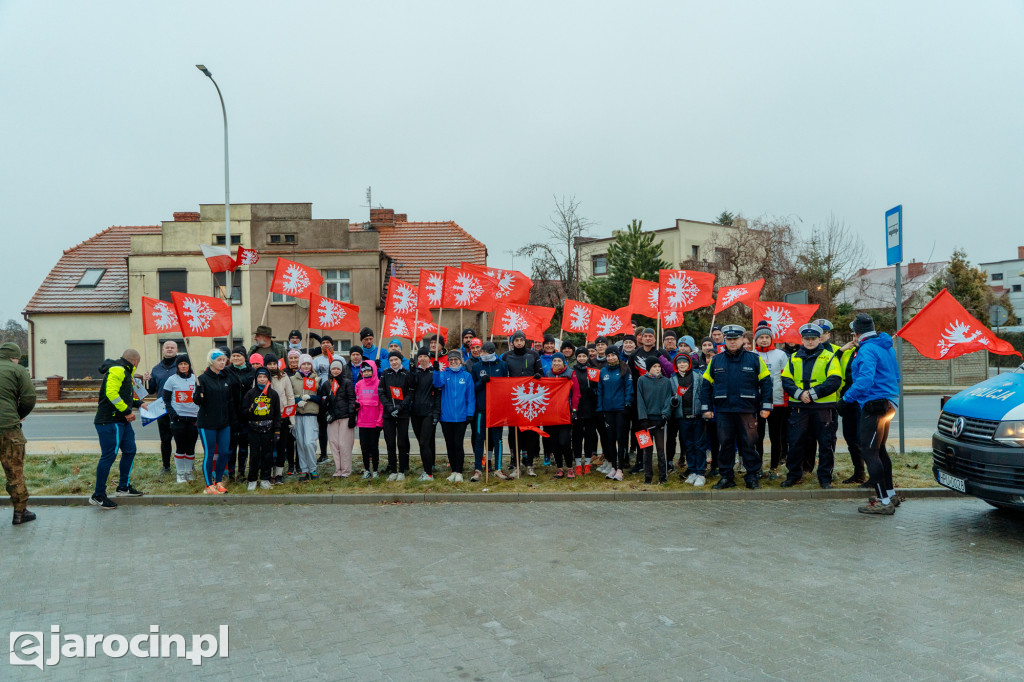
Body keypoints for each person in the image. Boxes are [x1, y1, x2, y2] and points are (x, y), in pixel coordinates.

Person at [842, 314, 902, 515]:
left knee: (869, 451)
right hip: (889, 403)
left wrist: (845, 400)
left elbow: (864, 381)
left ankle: (884, 502)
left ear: (857, 334)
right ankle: (890, 493)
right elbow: (897, 376)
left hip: (874, 405)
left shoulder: (867, 349)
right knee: (880, 450)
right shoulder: (887, 348)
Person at [700, 325, 773, 490]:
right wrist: (707, 408)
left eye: (736, 339)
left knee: (748, 444)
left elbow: (766, 383)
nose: (732, 342)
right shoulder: (716, 360)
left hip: (747, 411)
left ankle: (752, 476)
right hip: (724, 411)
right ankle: (726, 477)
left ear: (742, 339)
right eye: (730, 339)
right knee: (725, 444)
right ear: (725, 340)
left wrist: (766, 406)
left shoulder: (754, 359)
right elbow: (706, 386)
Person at [779, 324, 843, 489]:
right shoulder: (793, 357)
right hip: (799, 406)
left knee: (825, 444)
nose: (810, 342)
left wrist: (813, 394)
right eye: (807, 339)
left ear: (819, 339)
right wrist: (800, 394)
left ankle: (825, 479)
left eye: (813, 338)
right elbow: (786, 379)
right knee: (795, 443)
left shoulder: (829, 357)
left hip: (822, 407)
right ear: (802, 340)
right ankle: (794, 476)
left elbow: (835, 380)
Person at [90, 349, 145, 509]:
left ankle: (123, 487)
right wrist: (127, 412)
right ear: (135, 361)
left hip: (121, 421)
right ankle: (98, 495)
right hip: (109, 421)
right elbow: (111, 393)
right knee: (108, 456)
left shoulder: (125, 371)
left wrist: (140, 404)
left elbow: (125, 395)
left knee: (130, 451)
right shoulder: (118, 370)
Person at [1, 342, 36, 524]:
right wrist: (18, 415)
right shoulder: (18, 370)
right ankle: (20, 513)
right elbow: (29, 398)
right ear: (15, 357)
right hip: (8, 427)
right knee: (14, 471)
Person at [193, 348, 235, 494]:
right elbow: (197, 401)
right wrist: (198, 393)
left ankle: (218, 482)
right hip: (207, 423)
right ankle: (208, 485)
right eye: (219, 360)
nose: (222, 363)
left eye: (224, 360)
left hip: (224, 423)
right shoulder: (202, 379)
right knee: (209, 453)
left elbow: (230, 400)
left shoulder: (225, 377)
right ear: (212, 361)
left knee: (224, 452)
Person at [501, 330, 543, 477]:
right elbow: (502, 376)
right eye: (516, 340)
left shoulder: (533, 355)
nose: (519, 342)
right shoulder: (507, 356)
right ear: (512, 342)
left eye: (521, 340)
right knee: (514, 433)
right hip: (514, 400)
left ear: (525, 341)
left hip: (530, 400)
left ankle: (530, 464)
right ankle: (516, 464)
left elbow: (542, 375)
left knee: (530, 432)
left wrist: (538, 377)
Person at [753, 322, 790, 480]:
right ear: (756, 339)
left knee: (776, 437)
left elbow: (786, 378)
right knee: (758, 437)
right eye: (761, 337)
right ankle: (758, 466)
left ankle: (774, 468)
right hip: (758, 403)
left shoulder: (780, 355)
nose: (764, 340)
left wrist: (786, 400)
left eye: (767, 337)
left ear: (771, 339)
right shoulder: (752, 355)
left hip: (777, 402)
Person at [433, 350, 475, 482]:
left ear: (460, 361)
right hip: (446, 417)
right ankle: (453, 470)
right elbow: (437, 384)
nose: (453, 362)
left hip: (461, 417)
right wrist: (435, 371)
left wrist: (470, 413)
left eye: (455, 360)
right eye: (450, 360)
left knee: (458, 444)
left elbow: (470, 397)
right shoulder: (445, 375)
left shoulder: (467, 376)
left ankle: (459, 471)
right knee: (449, 444)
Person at [468, 341, 506, 482]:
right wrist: (481, 382)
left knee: (498, 440)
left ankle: (498, 468)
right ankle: (478, 469)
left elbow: (506, 386)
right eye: (481, 352)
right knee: (479, 439)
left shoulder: (502, 365)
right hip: (481, 410)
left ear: (492, 353)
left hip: (497, 409)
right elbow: (473, 388)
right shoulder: (477, 367)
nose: (482, 354)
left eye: (485, 352)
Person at [241, 366, 280, 490]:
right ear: (256, 378)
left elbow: (277, 414)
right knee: (254, 455)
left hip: (268, 429)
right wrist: (250, 409)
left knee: (267, 455)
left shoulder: (273, 394)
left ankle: (265, 478)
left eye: (264, 377)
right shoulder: (250, 393)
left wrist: (277, 430)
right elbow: (243, 412)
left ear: (268, 379)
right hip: (253, 429)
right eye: (259, 377)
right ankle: (252, 479)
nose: (262, 379)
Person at [162, 354, 199, 483]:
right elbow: (166, 400)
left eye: (186, 364)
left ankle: (189, 471)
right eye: (181, 364)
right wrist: (172, 413)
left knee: (191, 447)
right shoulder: (171, 380)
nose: (183, 366)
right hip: (178, 418)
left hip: (193, 418)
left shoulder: (196, 379)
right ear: (177, 366)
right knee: (180, 446)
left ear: (189, 365)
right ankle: (180, 473)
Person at [597, 348, 632, 481]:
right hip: (607, 410)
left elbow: (629, 387)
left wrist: (627, 403)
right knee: (610, 438)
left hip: (621, 409)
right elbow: (600, 391)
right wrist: (600, 409)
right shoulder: (604, 371)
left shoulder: (625, 369)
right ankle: (613, 467)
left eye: (613, 355)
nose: (611, 358)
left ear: (617, 356)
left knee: (620, 438)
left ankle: (620, 469)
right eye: (609, 356)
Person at [670, 353, 706, 486]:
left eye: (684, 362)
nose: (682, 364)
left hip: (697, 416)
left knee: (699, 445)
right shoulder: (672, 379)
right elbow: (670, 397)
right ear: (676, 365)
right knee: (688, 445)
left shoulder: (697, 377)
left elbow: (704, 394)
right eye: (679, 363)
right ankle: (692, 471)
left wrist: (704, 411)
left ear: (689, 363)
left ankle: (701, 473)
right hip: (682, 417)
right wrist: (673, 401)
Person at [636, 361, 672, 484]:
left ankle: (663, 476)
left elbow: (668, 399)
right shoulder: (641, 380)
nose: (657, 369)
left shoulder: (666, 381)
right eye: (654, 366)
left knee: (661, 449)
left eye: (659, 367)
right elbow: (639, 399)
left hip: (660, 420)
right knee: (646, 450)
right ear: (648, 368)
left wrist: (665, 416)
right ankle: (648, 476)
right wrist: (643, 418)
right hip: (645, 420)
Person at [319, 358, 356, 478]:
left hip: (345, 417)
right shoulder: (326, 384)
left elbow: (351, 399)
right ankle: (338, 469)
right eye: (333, 368)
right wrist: (326, 402)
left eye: (338, 369)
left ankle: (346, 470)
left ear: (342, 370)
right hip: (332, 418)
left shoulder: (347, 382)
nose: (335, 371)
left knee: (344, 445)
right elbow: (323, 401)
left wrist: (352, 417)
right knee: (334, 444)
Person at [379, 350, 413, 480]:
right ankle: (393, 469)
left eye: (396, 360)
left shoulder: (407, 373)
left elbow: (410, 393)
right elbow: (381, 392)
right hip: (389, 413)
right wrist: (389, 407)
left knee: (402, 442)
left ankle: (402, 470)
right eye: (391, 360)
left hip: (402, 413)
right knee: (390, 442)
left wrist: (400, 407)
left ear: (400, 360)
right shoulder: (385, 374)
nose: (394, 362)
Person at [545, 353, 579, 479]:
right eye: (554, 361)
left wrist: (574, 410)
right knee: (554, 442)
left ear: (564, 362)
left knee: (564, 442)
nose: (556, 363)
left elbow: (576, 393)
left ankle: (570, 467)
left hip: (565, 413)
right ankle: (559, 468)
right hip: (552, 414)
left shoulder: (571, 374)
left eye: (559, 360)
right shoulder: (548, 374)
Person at [147, 340, 179, 473]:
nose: (169, 349)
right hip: (161, 406)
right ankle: (166, 466)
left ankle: (185, 464)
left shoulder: (183, 366)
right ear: (163, 350)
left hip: (179, 406)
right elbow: (151, 390)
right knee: (165, 439)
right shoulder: (156, 368)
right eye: (167, 347)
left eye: (172, 347)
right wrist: (147, 381)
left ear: (177, 350)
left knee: (181, 438)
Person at [410, 348, 441, 480]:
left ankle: (429, 473)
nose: (422, 359)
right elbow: (410, 387)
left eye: (425, 356)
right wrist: (411, 372)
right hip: (416, 413)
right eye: (420, 356)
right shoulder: (415, 373)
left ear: (430, 358)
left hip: (429, 413)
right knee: (421, 443)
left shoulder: (433, 372)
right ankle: (426, 469)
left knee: (424, 442)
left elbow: (439, 389)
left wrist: (436, 413)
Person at [264, 353, 295, 484]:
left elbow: (290, 396)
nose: (272, 366)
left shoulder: (284, 376)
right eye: (269, 364)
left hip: (282, 416)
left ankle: (279, 474)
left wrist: (291, 418)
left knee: (282, 446)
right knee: (269, 448)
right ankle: (269, 473)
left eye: (274, 363)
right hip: (267, 417)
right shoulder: (261, 376)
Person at [290, 353, 321, 481]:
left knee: (309, 442)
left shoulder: (316, 379)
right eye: (304, 364)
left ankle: (312, 468)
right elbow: (289, 396)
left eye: (309, 364)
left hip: (311, 413)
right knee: (301, 443)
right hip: (298, 413)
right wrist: (297, 401)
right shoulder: (293, 379)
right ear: (300, 365)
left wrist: (311, 397)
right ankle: (304, 469)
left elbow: (321, 397)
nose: (306, 366)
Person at [226, 345, 254, 481]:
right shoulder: (226, 371)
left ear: (245, 357)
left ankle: (241, 472)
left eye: (239, 355)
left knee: (243, 446)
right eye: (234, 355)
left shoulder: (252, 372)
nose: (236, 358)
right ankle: (230, 472)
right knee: (230, 446)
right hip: (231, 414)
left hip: (246, 414)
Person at [570, 348, 600, 476]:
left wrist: (593, 391)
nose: (582, 358)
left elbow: (599, 388)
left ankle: (587, 463)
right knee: (576, 438)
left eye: (584, 356)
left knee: (589, 437)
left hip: (591, 410)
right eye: (580, 356)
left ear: (588, 357)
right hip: (577, 409)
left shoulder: (593, 371)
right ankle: (577, 464)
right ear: (576, 357)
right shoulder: (572, 372)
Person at [311, 335, 338, 463]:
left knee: (337, 426)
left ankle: (339, 454)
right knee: (322, 426)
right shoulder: (316, 360)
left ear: (332, 345)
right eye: (323, 342)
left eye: (328, 342)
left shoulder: (339, 359)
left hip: (336, 395)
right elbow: (312, 375)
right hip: (322, 395)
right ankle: (323, 454)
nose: (326, 344)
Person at [355, 362, 383, 479]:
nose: (366, 373)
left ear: (374, 370)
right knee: (364, 446)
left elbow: (382, 405)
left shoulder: (379, 384)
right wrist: (356, 405)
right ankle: (367, 469)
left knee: (374, 446)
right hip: (362, 421)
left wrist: (380, 421)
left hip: (375, 421)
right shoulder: (359, 384)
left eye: (369, 370)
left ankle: (375, 470)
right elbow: (356, 400)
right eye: (364, 371)